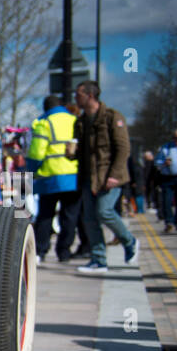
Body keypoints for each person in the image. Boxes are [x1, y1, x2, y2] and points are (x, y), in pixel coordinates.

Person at [72, 80, 136, 274]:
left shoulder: (112, 117)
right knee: (90, 219)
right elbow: (82, 152)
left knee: (104, 211)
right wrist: (71, 153)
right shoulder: (81, 122)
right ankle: (99, 260)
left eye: (79, 95)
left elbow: (123, 147)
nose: (76, 98)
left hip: (108, 176)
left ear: (90, 95)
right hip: (87, 177)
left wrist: (114, 175)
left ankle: (129, 240)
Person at [26, 94, 80, 264]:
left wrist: (32, 171)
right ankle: (64, 252)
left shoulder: (44, 123)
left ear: (45, 108)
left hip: (49, 177)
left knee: (45, 215)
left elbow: (36, 153)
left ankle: (41, 251)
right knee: (69, 216)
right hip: (73, 176)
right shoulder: (74, 120)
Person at [157, 128, 177, 233]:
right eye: (174, 137)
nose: (176, 140)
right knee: (167, 201)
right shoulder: (166, 148)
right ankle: (169, 222)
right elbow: (157, 162)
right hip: (167, 177)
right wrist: (163, 163)